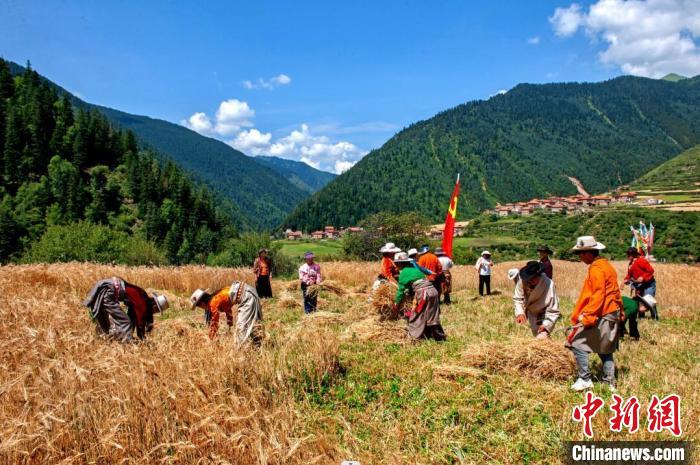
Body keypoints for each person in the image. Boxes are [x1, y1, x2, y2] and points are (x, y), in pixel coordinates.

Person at [566, 236, 623, 392]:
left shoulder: (596, 269)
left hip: (602, 313)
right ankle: (609, 383)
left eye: (580, 254)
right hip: (611, 312)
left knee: (576, 342)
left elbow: (598, 294)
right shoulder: (606, 265)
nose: (579, 257)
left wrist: (588, 317)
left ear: (588, 253)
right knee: (605, 349)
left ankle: (585, 379)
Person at [83, 277, 169, 342]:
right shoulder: (142, 303)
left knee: (105, 322)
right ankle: (125, 345)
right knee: (125, 322)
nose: (155, 312)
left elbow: (133, 317)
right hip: (108, 291)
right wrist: (142, 339)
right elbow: (140, 323)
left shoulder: (142, 297)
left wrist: (136, 335)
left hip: (108, 289)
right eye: (157, 310)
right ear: (155, 306)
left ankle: (102, 341)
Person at [393, 252, 446, 341]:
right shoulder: (415, 269)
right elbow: (411, 285)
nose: (395, 265)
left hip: (424, 293)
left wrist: (396, 303)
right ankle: (438, 337)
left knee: (417, 314)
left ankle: (414, 337)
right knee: (431, 315)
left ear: (400, 263)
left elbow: (400, 291)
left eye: (396, 263)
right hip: (433, 291)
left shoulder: (403, 273)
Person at [190, 283, 263, 344]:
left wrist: (211, 338)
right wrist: (230, 323)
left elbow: (214, 323)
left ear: (202, 303)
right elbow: (228, 309)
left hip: (246, 296)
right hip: (249, 291)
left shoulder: (213, 303)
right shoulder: (217, 296)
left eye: (199, 306)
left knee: (241, 331)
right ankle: (257, 344)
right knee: (253, 322)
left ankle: (241, 352)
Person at [513, 261, 560, 339]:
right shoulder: (523, 280)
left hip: (544, 312)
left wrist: (546, 325)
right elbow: (518, 298)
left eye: (533, 278)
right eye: (529, 278)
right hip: (532, 311)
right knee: (535, 333)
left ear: (539, 275)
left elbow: (553, 309)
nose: (530, 281)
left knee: (542, 335)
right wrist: (520, 313)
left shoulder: (548, 284)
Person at [624, 247, 657, 320]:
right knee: (640, 301)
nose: (627, 256)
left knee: (648, 301)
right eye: (627, 254)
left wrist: (643, 277)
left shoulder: (641, 261)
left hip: (648, 284)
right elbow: (629, 275)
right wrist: (626, 280)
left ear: (633, 255)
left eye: (629, 254)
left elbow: (651, 270)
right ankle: (641, 318)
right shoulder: (630, 264)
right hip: (639, 286)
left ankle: (654, 317)